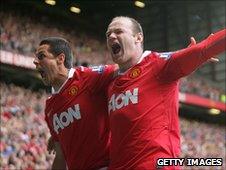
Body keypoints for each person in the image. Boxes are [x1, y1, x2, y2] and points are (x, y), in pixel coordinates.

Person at [105, 16, 226, 170]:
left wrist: (200, 51)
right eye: (108, 34)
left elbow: (204, 48)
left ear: (138, 37)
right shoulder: (107, 82)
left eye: (118, 31)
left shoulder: (160, 65)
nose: (111, 36)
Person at [33, 37, 116, 170]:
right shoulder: (50, 107)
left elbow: (123, 69)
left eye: (41, 56)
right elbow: (60, 156)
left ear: (60, 58)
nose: (35, 62)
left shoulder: (88, 77)